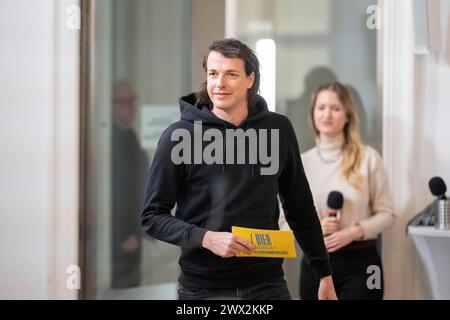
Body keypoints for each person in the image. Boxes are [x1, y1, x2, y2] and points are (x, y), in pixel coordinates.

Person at [140, 38, 337, 300]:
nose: (219, 83)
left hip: (268, 285)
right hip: (203, 289)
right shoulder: (178, 136)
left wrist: (324, 274)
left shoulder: (278, 130)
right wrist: (206, 238)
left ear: (250, 79)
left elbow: (300, 207)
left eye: (231, 74)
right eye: (213, 74)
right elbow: (152, 217)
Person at [283, 82, 396, 300]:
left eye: (335, 108)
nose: (327, 114)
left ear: (347, 116)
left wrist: (354, 231)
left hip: (363, 265)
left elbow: (388, 215)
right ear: (313, 114)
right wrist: (311, 228)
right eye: (321, 107)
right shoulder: (301, 163)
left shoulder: (368, 158)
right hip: (315, 263)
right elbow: (283, 221)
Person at [111, 81, 149, 289]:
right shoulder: (110, 139)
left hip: (133, 234)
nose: (130, 106)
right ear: (111, 106)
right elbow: (115, 192)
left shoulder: (130, 135)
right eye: (123, 102)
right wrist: (124, 233)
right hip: (119, 240)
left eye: (132, 100)